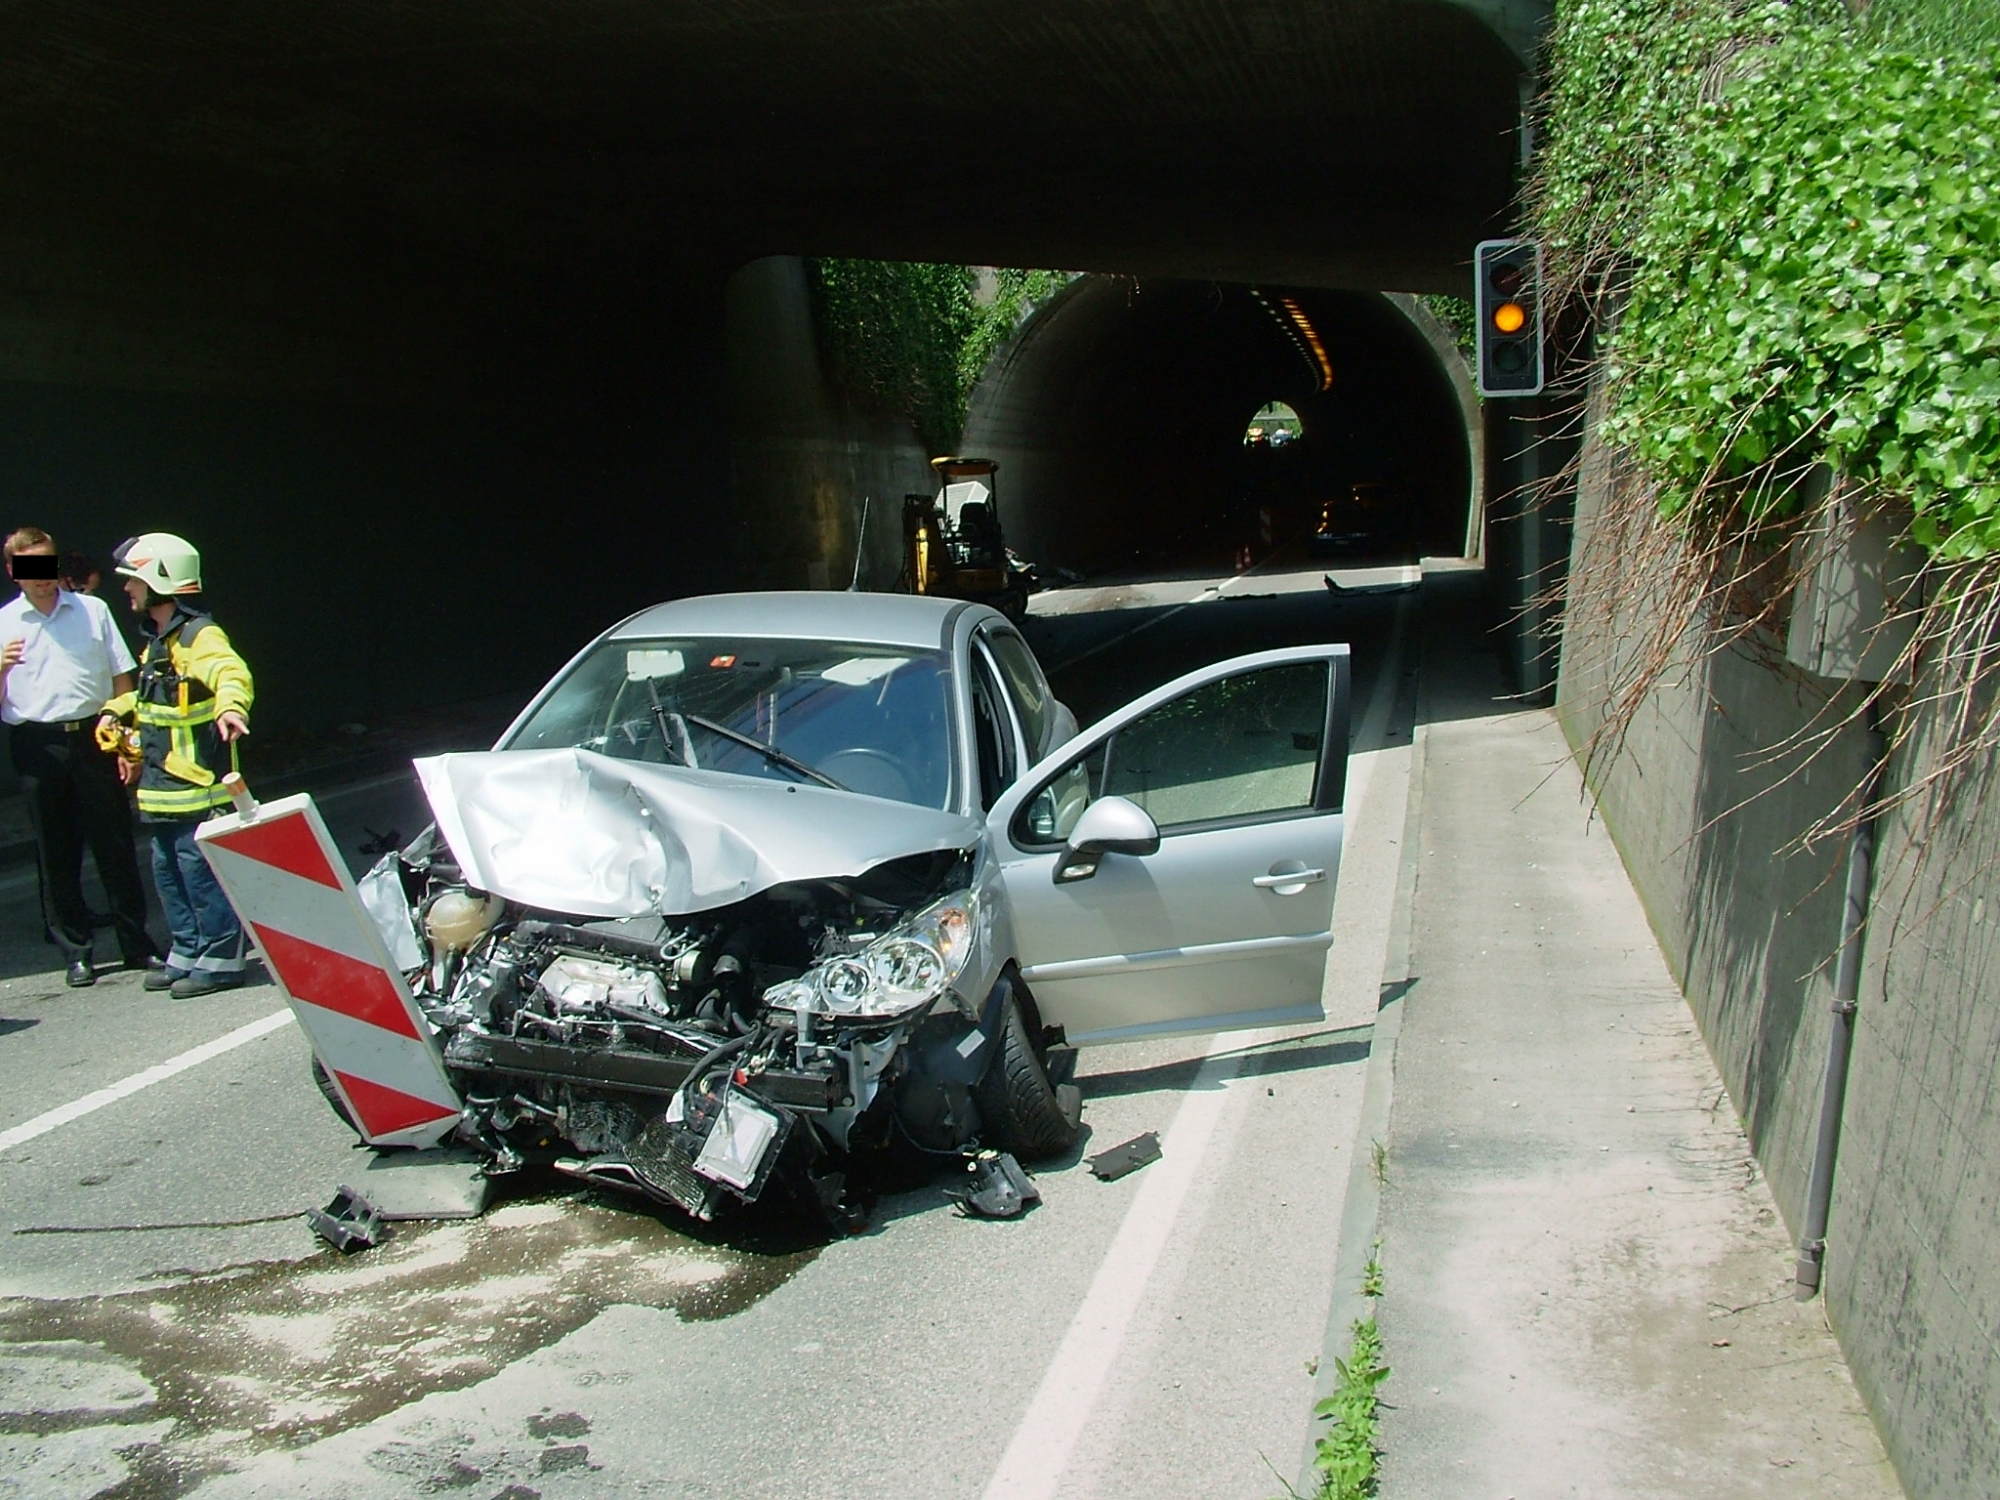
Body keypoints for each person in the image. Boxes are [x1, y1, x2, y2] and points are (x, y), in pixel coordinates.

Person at [0, 527, 160, 986]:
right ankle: (76, 949)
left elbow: (121, 677)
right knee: (56, 848)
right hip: (37, 741)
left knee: (114, 841)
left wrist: (126, 740)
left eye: (47, 565)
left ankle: (136, 943)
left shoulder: (93, 610)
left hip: (96, 733)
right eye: (29, 568)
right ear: (13, 572)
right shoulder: (6, 624)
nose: (42, 578)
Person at [98, 533, 254, 998]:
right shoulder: (160, 641)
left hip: (195, 789)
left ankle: (223, 958)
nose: (127, 589)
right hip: (163, 791)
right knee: (168, 873)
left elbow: (230, 673)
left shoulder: (199, 635)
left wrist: (232, 707)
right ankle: (187, 951)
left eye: (133, 581)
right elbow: (152, 693)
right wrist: (116, 708)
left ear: (158, 580)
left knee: (199, 873)